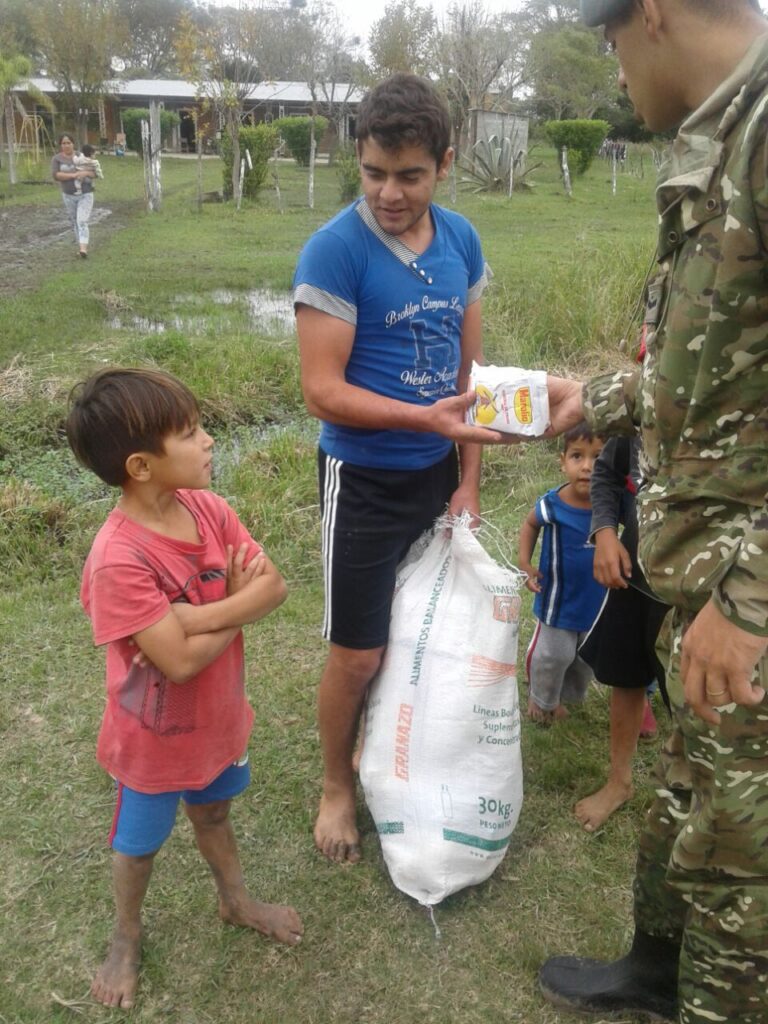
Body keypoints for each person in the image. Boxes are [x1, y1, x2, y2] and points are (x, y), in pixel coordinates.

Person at [535, 1, 768, 1020]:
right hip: (689, 572)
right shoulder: (723, 137)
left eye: (609, 39)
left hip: (741, 595)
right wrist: (589, 399)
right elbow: (708, 365)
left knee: (739, 857)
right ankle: (653, 971)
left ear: (656, 13)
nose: (615, 67)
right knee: (677, 796)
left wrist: (753, 598)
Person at [293, 72, 501, 864]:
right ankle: (337, 784)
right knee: (358, 649)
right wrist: (426, 420)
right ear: (358, 157)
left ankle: (394, 752)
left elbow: (470, 381)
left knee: (422, 630)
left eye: (409, 175)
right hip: (365, 481)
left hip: (438, 472)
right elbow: (321, 390)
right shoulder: (335, 251)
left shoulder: (462, 242)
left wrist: (469, 480)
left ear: (444, 163)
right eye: (374, 172)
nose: (389, 192)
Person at [65, 368, 303, 1009]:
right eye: (192, 433)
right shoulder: (118, 559)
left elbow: (275, 587)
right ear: (141, 466)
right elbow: (179, 664)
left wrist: (199, 614)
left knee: (215, 813)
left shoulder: (210, 509)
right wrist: (233, 598)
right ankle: (126, 935)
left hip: (218, 725)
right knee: (138, 848)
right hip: (151, 745)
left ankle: (234, 900)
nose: (208, 442)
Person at [575, 435, 670, 831]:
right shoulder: (642, 400)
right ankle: (619, 781)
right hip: (637, 577)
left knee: (699, 697)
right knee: (626, 674)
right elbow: (609, 472)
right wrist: (605, 532)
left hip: (704, 593)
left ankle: (700, 798)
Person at [518, 424, 606, 723]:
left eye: (598, 458)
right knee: (553, 654)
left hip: (596, 600)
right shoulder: (553, 505)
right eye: (577, 456)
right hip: (558, 598)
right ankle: (541, 698)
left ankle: (561, 696)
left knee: (584, 658)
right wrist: (525, 563)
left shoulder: (611, 505)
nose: (587, 467)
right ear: (563, 461)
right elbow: (530, 524)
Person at [51, 134, 96, 258]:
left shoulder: (81, 156)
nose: (66, 145)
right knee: (75, 221)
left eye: (68, 143)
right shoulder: (57, 159)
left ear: (73, 144)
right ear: (60, 145)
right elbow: (56, 175)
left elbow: (94, 172)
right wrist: (74, 175)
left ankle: (83, 249)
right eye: (64, 143)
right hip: (68, 195)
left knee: (82, 220)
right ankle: (80, 246)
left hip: (85, 194)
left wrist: (85, 172)